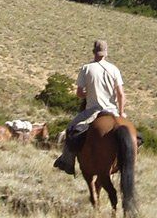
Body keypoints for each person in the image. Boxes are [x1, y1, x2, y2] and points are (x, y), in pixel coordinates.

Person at [53, 39, 126, 175]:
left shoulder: (86, 68)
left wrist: (90, 92)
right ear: (106, 53)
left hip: (93, 111)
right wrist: (121, 113)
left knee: (71, 130)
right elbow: (121, 94)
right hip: (113, 111)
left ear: (93, 52)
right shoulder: (114, 69)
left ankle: (67, 161)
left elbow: (80, 94)